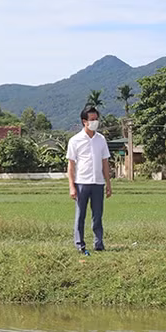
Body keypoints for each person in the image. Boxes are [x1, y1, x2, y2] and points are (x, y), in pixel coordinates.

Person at [67, 106, 112, 255]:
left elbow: (105, 162)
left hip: (98, 183)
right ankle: (80, 244)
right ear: (84, 121)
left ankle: (98, 243)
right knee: (80, 215)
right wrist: (72, 187)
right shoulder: (75, 140)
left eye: (96, 119)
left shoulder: (101, 139)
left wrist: (108, 184)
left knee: (97, 215)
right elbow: (71, 165)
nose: (95, 122)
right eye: (92, 120)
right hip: (81, 183)